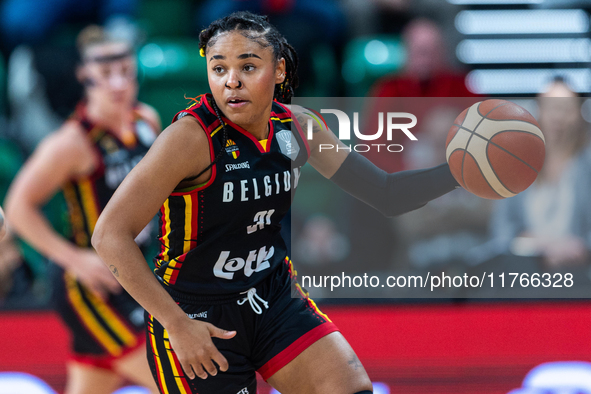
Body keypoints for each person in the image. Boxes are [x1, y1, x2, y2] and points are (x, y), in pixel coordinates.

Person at [91, 11, 459, 393]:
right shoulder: (189, 137)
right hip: (197, 314)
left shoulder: (298, 126)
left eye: (248, 66)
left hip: (272, 297)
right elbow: (109, 235)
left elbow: (386, 193)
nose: (231, 81)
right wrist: (176, 323)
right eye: (218, 69)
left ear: (279, 70)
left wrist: (457, 173)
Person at [5, 25, 160, 394]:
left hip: (133, 274)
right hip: (91, 285)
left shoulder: (146, 121)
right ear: (85, 75)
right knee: (177, 380)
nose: (119, 83)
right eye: (106, 74)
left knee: (91, 384)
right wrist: (75, 259)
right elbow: (16, 207)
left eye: (126, 71)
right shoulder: (72, 142)